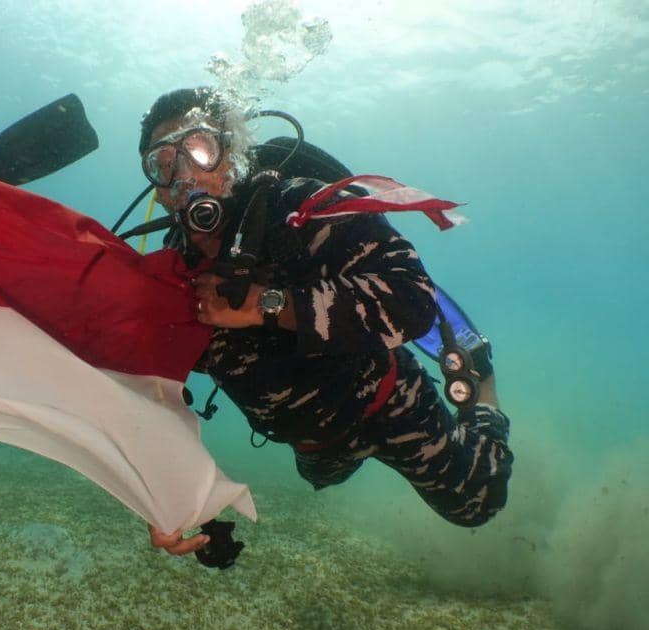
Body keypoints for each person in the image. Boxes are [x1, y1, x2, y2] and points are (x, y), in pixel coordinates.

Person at [140, 88, 513, 557]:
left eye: (199, 150)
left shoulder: (302, 211)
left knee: (477, 503)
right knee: (323, 478)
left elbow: (414, 298)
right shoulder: (170, 274)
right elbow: (153, 393)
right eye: (164, 162)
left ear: (230, 156)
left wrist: (268, 305)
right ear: (156, 185)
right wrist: (175, 497)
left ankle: (481, 389)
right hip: (313, 449)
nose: (185, 175)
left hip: (389, 405)